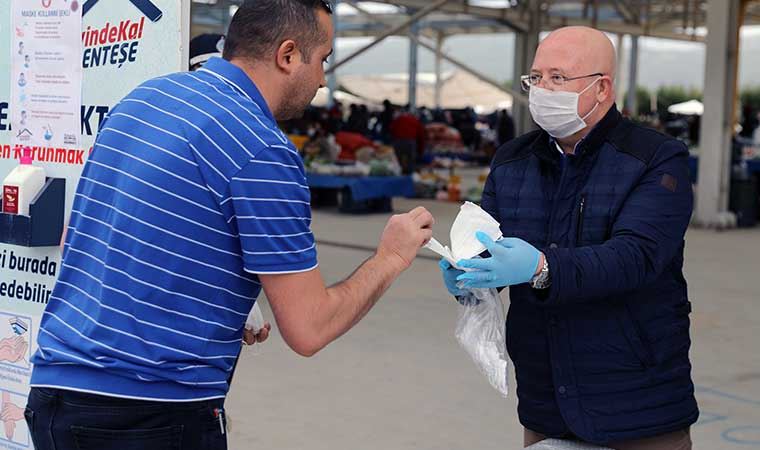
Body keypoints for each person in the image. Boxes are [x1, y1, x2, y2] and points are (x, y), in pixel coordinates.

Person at [25, 1, 434, 449]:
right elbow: (309, 327)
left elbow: (98, 239)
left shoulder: (144, 99)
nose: (321, 80)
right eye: (323, 61)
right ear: (288, 54)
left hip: (54, 394)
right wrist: (390, 258)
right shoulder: (261, 149)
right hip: (149, 414)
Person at [440, 26, 696, 449]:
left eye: (558, 78)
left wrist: (543, 268)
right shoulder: (513, 160)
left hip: (637, 403)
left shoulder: (655, 159)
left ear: (601, 88)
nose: (542, 89)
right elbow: (492, 242)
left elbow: (637, 257)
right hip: (546, 399)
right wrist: (470, 271)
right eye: (535, 77)